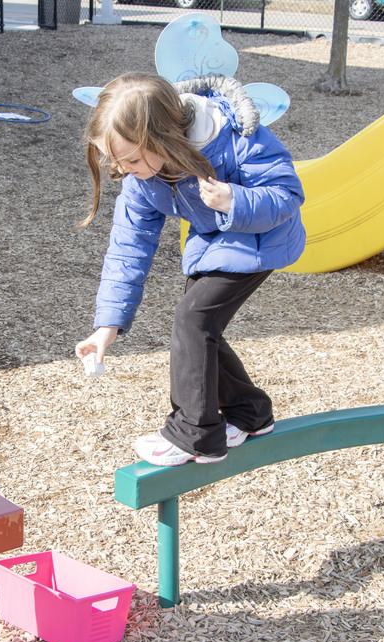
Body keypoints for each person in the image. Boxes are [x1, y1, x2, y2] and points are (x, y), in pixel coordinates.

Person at [74, 72, 306, 467]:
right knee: (200, 330)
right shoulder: (139, 178)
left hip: (262, 235)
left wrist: (233, 199)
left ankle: (195, 434)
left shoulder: (234, 138)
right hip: (215, 241)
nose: (122, 169)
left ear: (162, 137)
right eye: (113, 160)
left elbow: (287, 195)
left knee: (193, 320)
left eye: (129, 158)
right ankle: (250, 412)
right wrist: (107, 325)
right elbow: (128, 248)